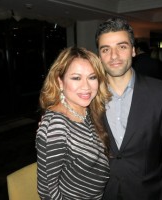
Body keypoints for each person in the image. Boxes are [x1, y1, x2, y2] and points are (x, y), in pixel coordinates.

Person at [95, 17, 162, 200]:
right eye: (106, 49)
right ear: (99, 56)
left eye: (122, 46)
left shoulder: (161, 92)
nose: (114, 56)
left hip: (147, 193)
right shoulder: (89, 95)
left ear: (133, 50)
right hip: (101, 194)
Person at [36, 47, 111, 200]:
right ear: (60, 81)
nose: (86, 87)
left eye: (92, 77)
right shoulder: (56, 125)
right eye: (76, 78)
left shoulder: (87, 111)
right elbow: (47, 191)